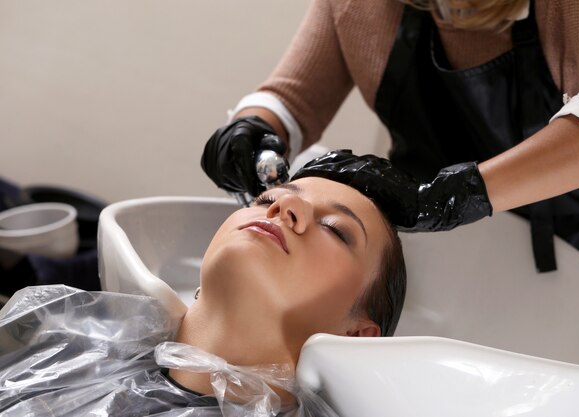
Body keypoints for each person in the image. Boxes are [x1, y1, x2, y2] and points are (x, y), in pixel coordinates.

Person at [201, 0, 579, 289]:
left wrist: (448, 197)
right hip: (420, 263)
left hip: (575, 268)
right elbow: (294, 98)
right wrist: (252, 127)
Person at [0, 151, 407, 416]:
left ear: (358, 336)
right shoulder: (63, 337)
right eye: (266, 200)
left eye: (336, 230)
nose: (285, 206)